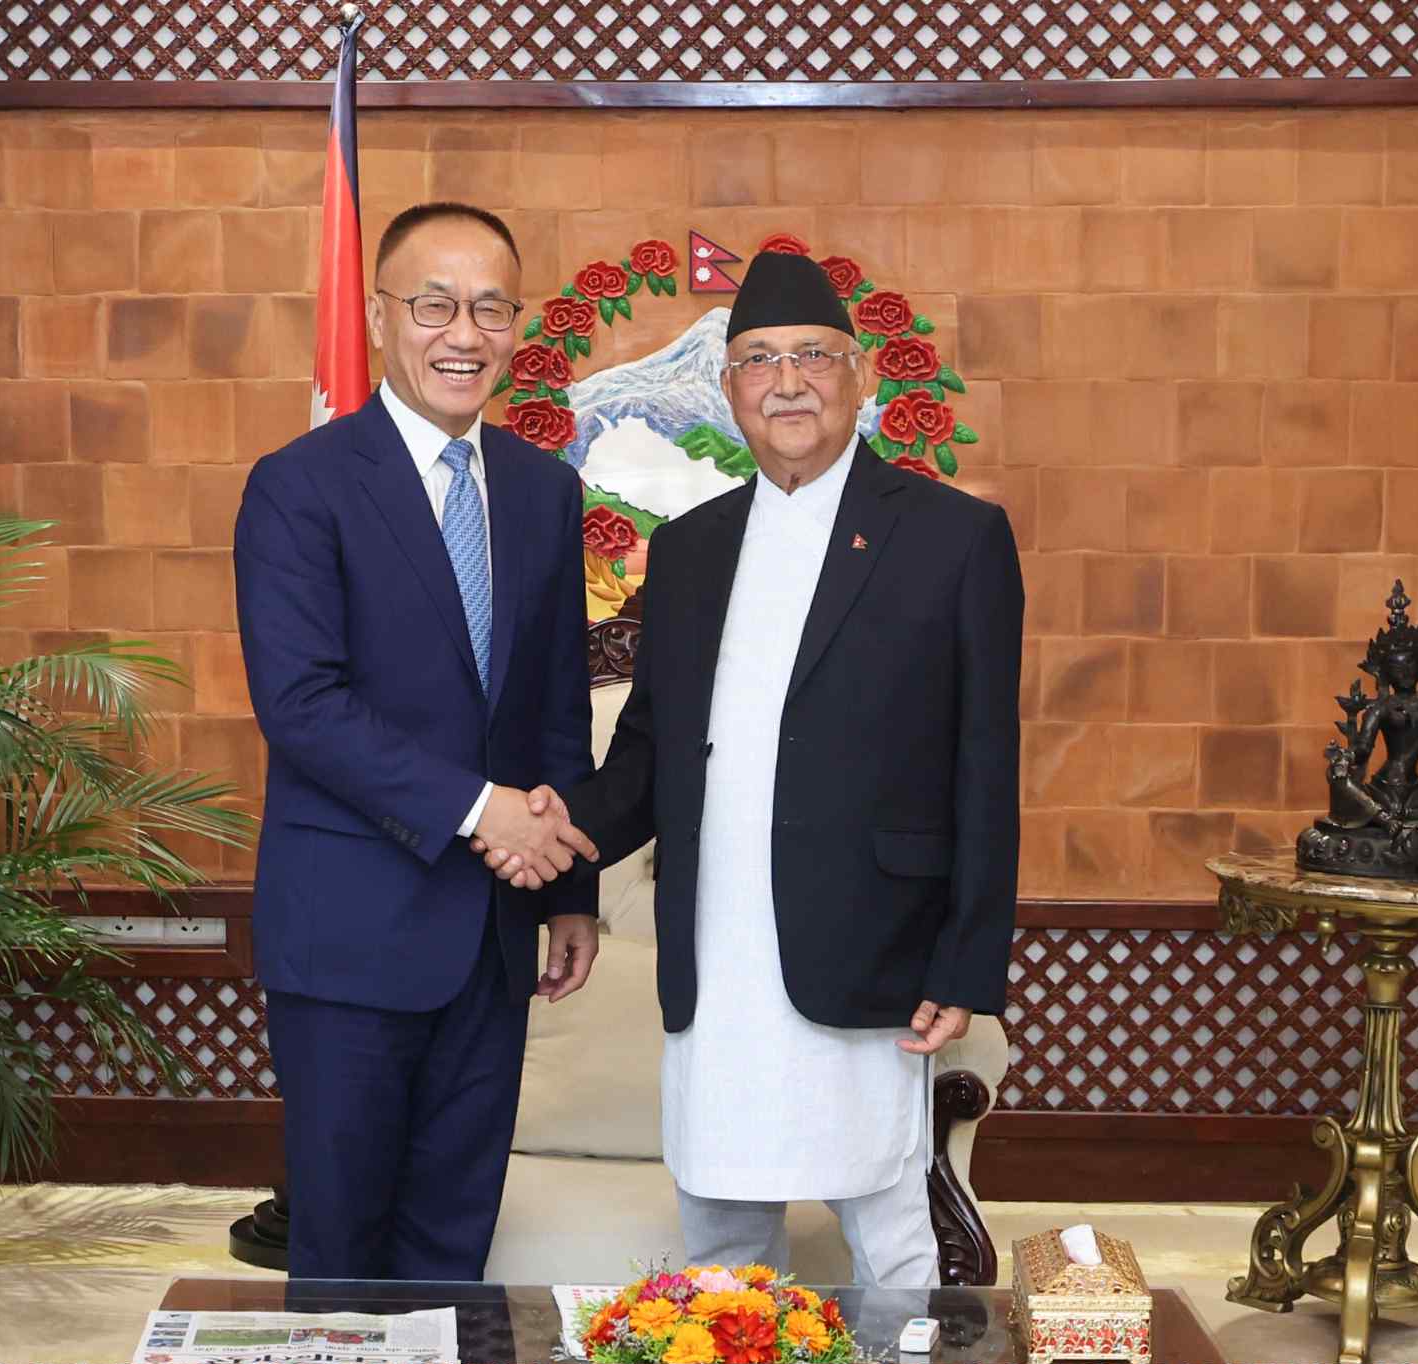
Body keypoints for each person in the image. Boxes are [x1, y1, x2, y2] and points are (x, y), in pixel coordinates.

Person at [479, 251, 1024, 1286]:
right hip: (718, 946)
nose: (787, 382)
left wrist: (966, 966)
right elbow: (647, 749)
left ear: (858, 374)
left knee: (892, 1239)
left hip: (870, 945)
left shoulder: (953, 538)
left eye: (812, 356)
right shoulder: (690, 548)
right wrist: (560, 831)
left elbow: (986, 763)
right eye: (760, 360)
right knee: (724, 1235)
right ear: (729, 389)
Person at [234, 201, 602, 1281]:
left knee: (451, 1247)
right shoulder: (299, 484)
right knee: (343, 1251)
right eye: (435, 305)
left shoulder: (543, 489)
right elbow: (302, 702)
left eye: (491, 308)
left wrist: (569, 890)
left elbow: (556, 706)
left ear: (516, 325)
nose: (464, 334)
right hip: (349, 932)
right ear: (380, 316)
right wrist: (480, 809)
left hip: (493, 936)